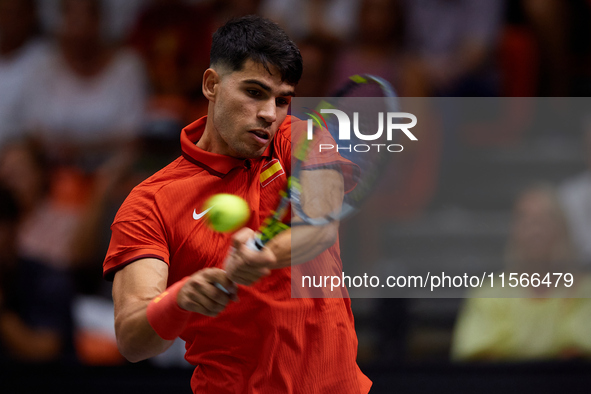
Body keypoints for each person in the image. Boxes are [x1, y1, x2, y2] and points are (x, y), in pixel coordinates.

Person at [104, 15, 372, 393]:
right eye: (255, 92)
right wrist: (180, 299)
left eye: (282, 100)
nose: (269, 114)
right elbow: (132, 340)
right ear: (212, 85)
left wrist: (267, 256)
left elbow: (322, 225)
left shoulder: (303, 138)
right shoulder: (150, 203)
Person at [451, 185, 591, 361]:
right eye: (526, 219)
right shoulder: (488, 295)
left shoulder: (585, 293)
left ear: (563, 228)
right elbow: (475, 360)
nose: (535, 230)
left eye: (544, 220)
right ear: (514, 230)